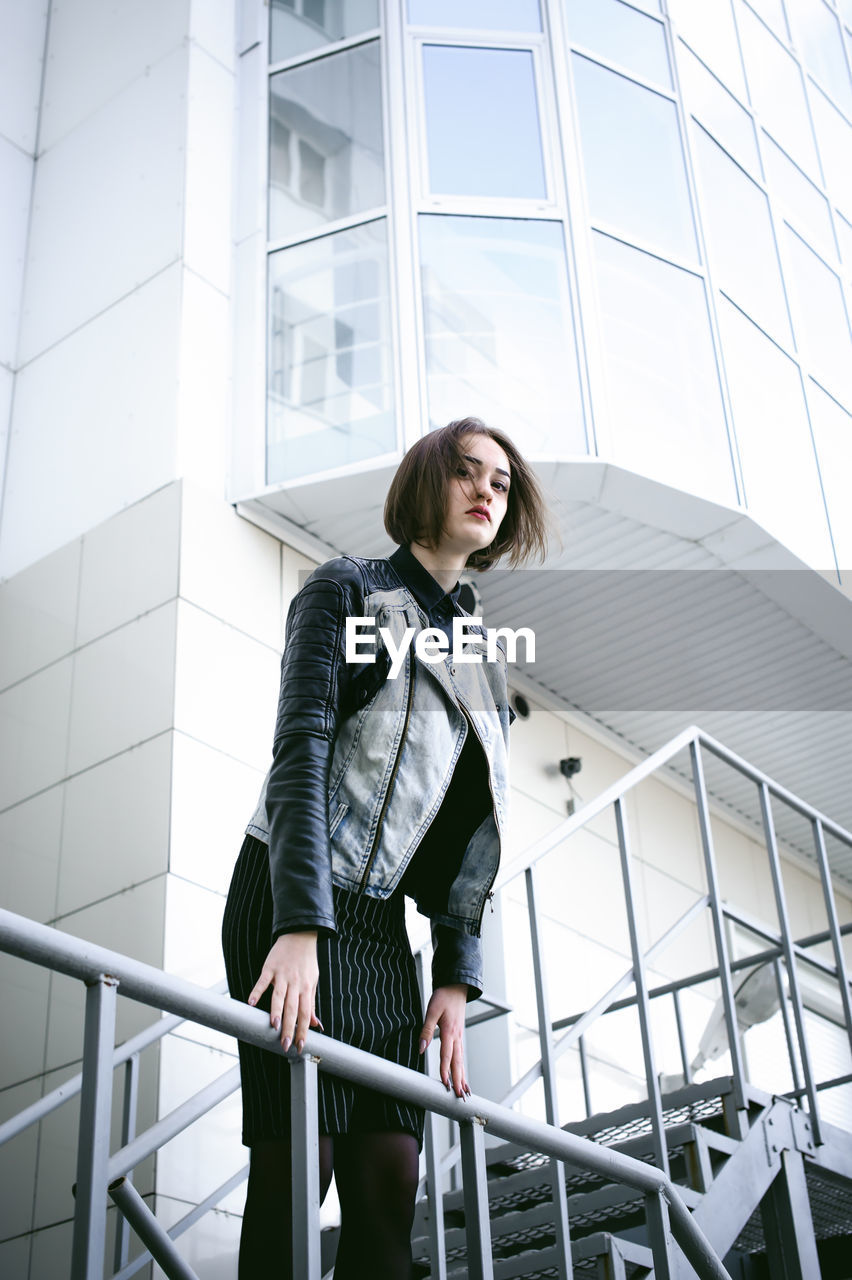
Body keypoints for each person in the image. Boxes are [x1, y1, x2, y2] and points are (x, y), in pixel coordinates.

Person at [222, 417, 548, 1278]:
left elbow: (469, 832)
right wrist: (298, 927)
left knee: (386, 1202)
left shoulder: (484, 660)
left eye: (502, 484)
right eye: (468, 473)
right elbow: (301, 749)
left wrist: (452, 968)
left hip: (378, 936)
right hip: (289, 897)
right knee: (299, 1176)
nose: (487, 491)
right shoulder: (347, 591)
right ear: (425, 484)